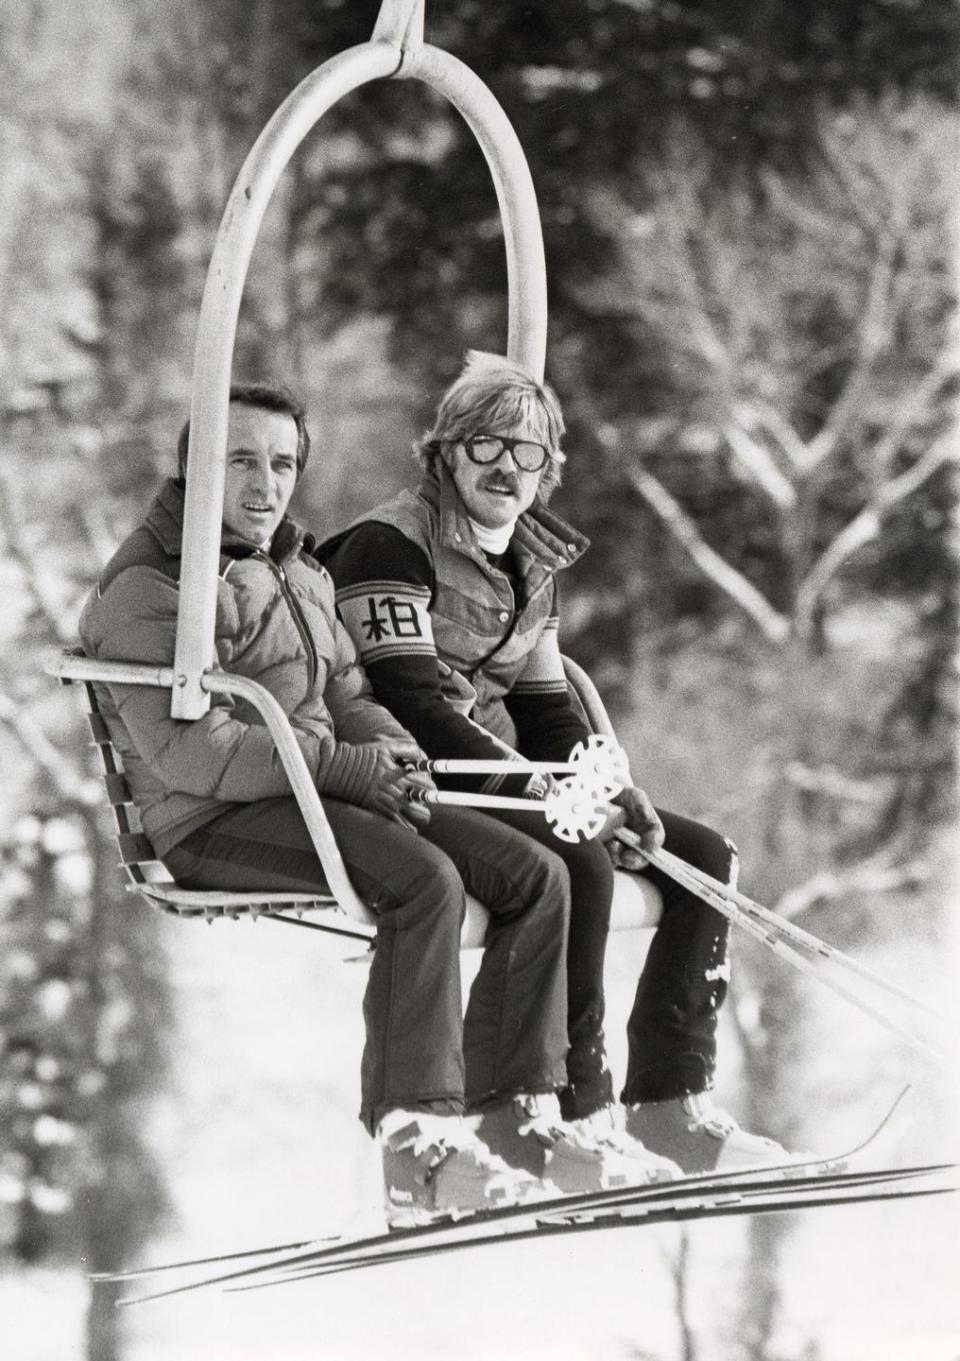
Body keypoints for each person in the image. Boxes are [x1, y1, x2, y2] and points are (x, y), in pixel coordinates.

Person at [78, 380, 656, 1226]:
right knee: (424, 880)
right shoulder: (152, 588)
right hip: (209, 820)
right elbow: (194, 752)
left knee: (535, 871)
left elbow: (349, 691)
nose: (265, 484)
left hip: (321, 785)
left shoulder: (297, 570)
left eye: (281, 464)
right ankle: (417, 1148)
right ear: (195, 467)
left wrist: (394, 753)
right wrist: (347, 769)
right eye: (241, 460)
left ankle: (519, 1112)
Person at [319, 352, 800, 1177]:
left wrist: (607, 790)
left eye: (529, 451)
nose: (507, 466)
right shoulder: (388, 546)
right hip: (418, 774)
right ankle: (570, 1100)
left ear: (548, 470)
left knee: (698, 855)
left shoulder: (531, 566)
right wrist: (552, 794)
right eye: (485, 445)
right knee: (574, 855)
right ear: (444, 452)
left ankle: (669, 1101)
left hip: (502, 770)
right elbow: (414, 706)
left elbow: (544, 705)